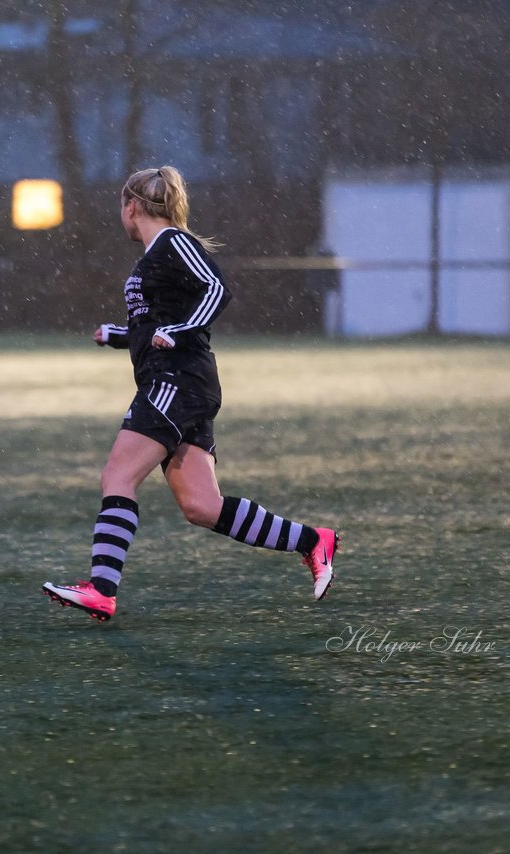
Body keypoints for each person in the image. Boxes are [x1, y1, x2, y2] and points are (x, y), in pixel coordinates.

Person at [42, 166, 340, 622]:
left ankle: (101, 589)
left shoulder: (173, 242)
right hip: (181, 382)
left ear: (132, 206)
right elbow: (158, 322)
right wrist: (121, 335)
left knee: (118, 475)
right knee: (202, 506)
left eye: (121, 208)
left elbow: (216, 289)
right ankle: (313, 541)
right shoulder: (155, 254)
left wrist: (179, 331)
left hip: (176, 381)